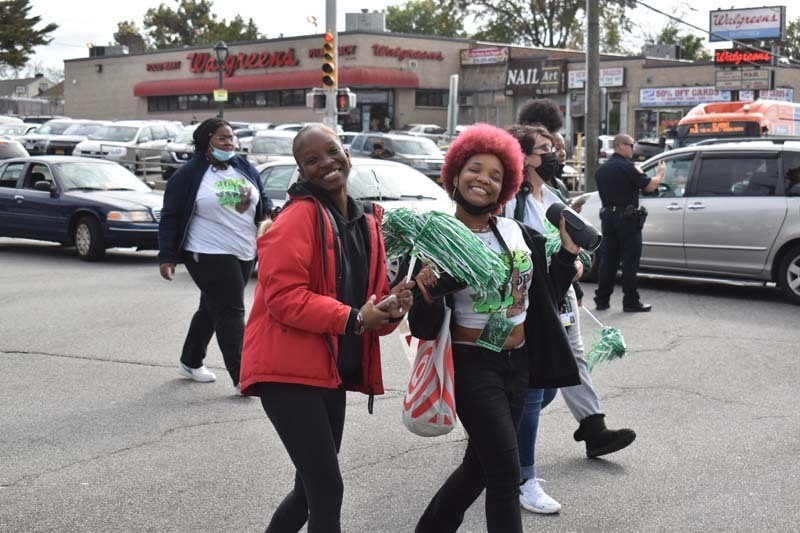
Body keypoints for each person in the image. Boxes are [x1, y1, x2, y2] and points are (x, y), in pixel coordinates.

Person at [239, 125, 414, 533]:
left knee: (309, 490)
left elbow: (369, 310)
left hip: (328, 372)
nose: (326, 164)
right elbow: (283, 298)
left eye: (332, 152)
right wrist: (353, 318)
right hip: (286, 373)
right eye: (312, 160)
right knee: (326, 488)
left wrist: (392, 308)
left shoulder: (367, 220)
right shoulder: (296, 219)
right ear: (301, 171)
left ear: (347, 154)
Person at [409, 123, 581, 533]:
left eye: (495, 175)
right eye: (474, 168)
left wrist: (566, 257)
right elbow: (423, 324)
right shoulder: (437, 238)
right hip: (473, 366)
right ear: (454, 173)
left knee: (480, 467)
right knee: (506, 475)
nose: (483, 179)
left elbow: (539, 296)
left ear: (506, 187)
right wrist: (425, 291)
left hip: (517, 364)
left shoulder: (515, 232)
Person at [505, 125, 637, 516]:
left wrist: (578, 263)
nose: (555, 154)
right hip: (530, 303)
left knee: (551, 383)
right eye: (545, 149)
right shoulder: (511, 201)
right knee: (533, 391)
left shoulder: (555, 194)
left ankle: (499, 435)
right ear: (524, 156)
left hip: (561, 297)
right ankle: (523, 478)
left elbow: (579, 244)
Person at [158, 117, 273, 391]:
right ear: (206, 140)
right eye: (222, 138)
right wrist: (167, 256)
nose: (229, 142)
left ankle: (190, 360)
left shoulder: (243, 167)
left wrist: (270, 214)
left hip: (244, 250)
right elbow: (170, 216)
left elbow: (262, 197)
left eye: (231, 137)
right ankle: (244, 376)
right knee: (232, 311)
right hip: (206, 251)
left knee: (212, 308)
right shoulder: (189, 174)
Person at [593, 133, 665, 312]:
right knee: (630, 260)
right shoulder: (628, 167)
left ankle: (602, 300)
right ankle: (630, 301)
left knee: (608, 260)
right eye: (631, 145)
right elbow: (650, 186)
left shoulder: (602, 170)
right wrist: (660, 174)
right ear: (620, 146)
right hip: (627, 219)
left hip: (608, 217)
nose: (634, 149)